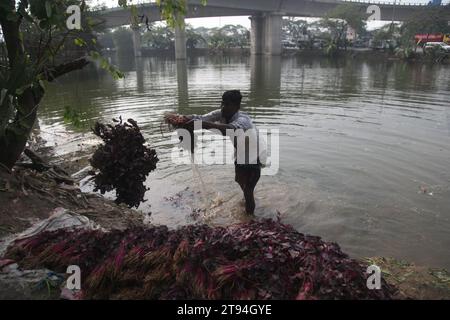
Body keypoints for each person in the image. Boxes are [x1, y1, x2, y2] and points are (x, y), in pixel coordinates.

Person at [182, 90, 264, 215]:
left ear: (237, 106)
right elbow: (201, 118)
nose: (223, 107)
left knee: (248, 189)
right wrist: (181, 119)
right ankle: (248, 201)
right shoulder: (220, 114)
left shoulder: (243, 119)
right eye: (223, 103)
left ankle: (250, 219)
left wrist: (204, 125)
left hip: (255, 153)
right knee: (239, 181)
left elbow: (230, 129)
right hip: (241, 152)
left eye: (227, 105)